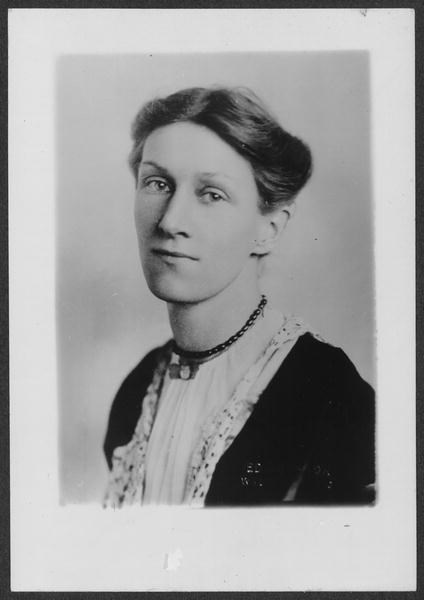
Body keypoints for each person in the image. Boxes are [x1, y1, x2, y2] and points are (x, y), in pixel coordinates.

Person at [103, 86, 375, 507]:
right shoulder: (136, 393)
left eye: (211, 194)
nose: (171, 220)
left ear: (269, 228)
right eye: (157, 183)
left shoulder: (328, 393)